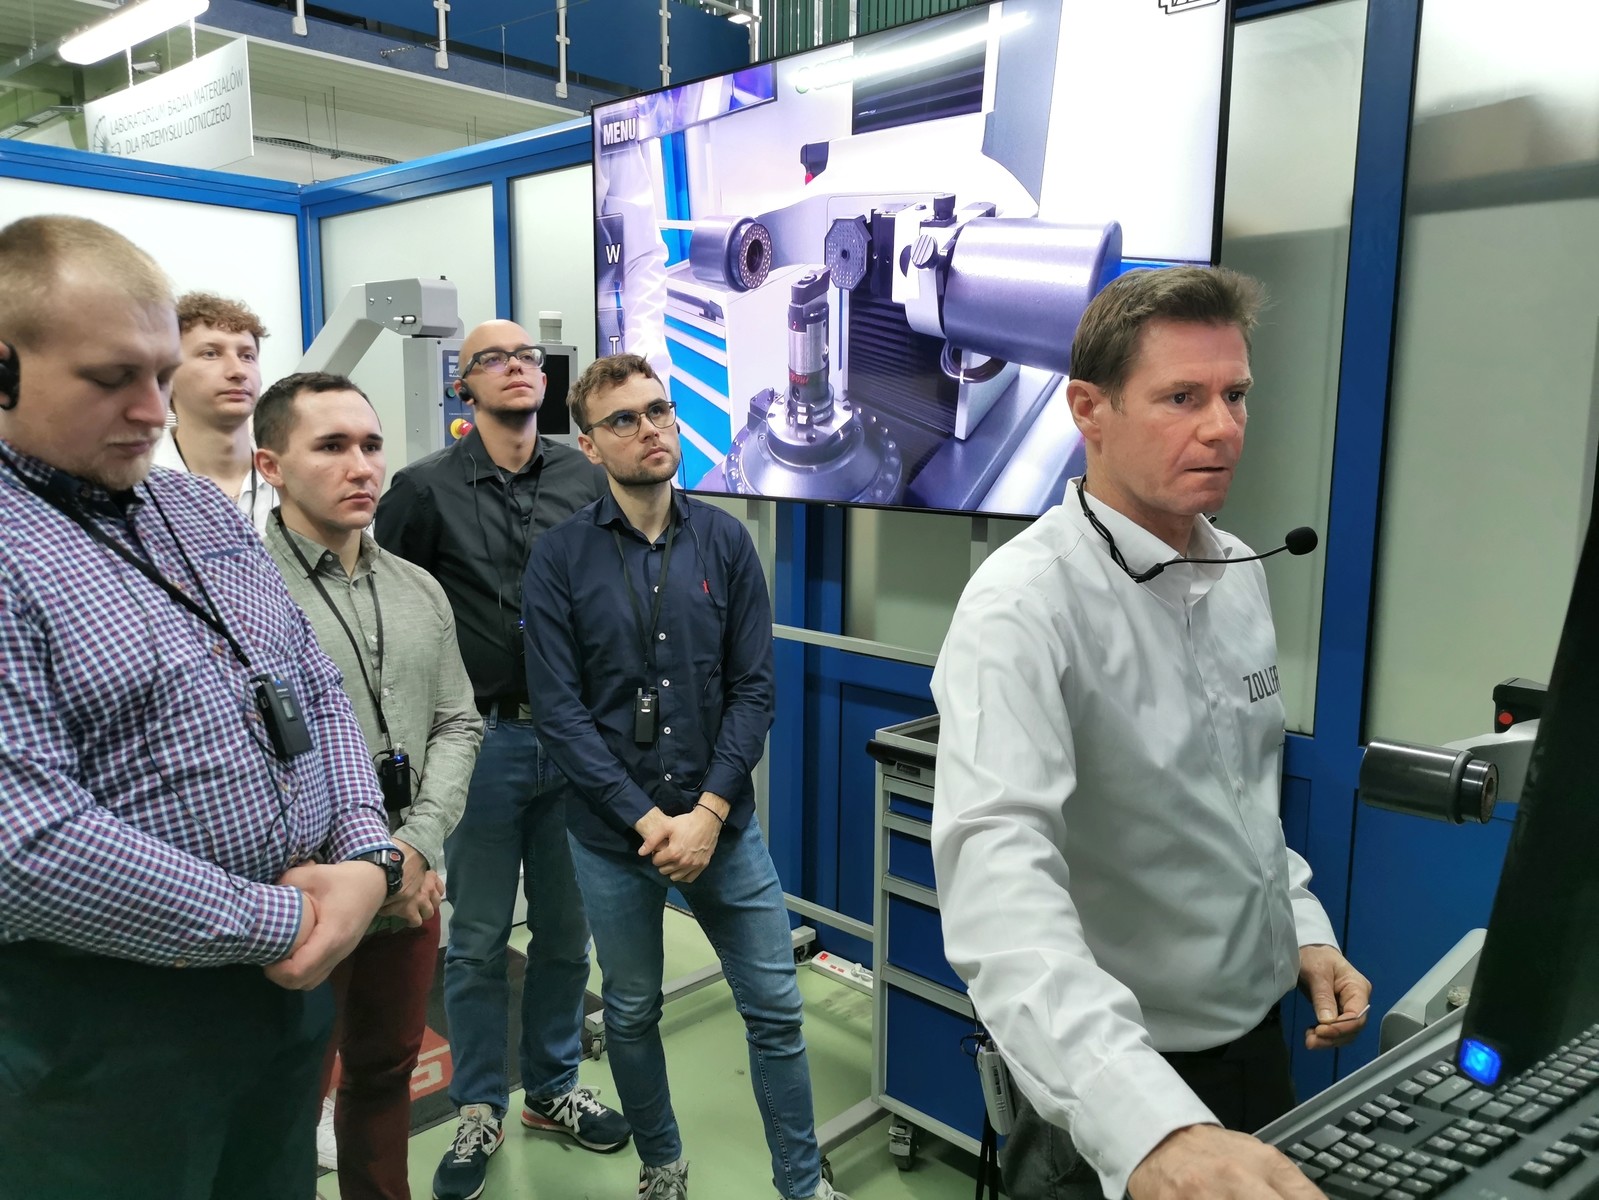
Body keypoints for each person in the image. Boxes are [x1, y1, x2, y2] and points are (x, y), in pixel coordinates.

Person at [930, 266, 1371, 1200]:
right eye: (1181, 398)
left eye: (1234, 395)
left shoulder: (1237, 569)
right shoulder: (1022, 607)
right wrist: (1148, 1126)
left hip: (1255, 1045)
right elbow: (1000, 888)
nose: (1222, 427)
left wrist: (1300, 931)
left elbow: (1241, 802)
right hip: (1116, 1084)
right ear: (1087, 410)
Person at [0, 217, 401, 1200]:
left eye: (161, 372)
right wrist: (284, 921)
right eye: (112, 379)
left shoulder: (193, 511)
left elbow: (313, 686)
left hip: (281, 1004)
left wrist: (365, 857)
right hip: (104, 1037)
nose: (153, 410)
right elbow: (24, 843)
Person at [522, 354, 849, 1200]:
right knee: (631, 1010)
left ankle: (800, 1184)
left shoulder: (725, 541)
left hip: (722, 829)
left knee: (775, 1010)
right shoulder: (560, 557)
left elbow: (753, 689)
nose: (650, 430)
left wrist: (706, 812)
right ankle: (662, 1163)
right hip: (613, 839)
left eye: (659, 411)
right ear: (590, 445)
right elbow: (559, 712)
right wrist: (646, 821)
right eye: (623, 420)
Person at [374, 319, 629, 1200]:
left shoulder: (583, 475)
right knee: (478, 940)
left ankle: (551, 1089)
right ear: (464, 385)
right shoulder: (422, 491)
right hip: (479, 744)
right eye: (493, 359)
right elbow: (391, 614)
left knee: (565, 931)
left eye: (527, 357)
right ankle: (479, 1104)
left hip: (578, 743)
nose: (516, 368)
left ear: (544, 380)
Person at [256, 371, 483, 1200]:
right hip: (298, 897)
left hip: (411, 889)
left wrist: (413, 849)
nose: (361, 466)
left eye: (371, 445)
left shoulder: (418, 589)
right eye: (331, 446)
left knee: (385, 1072)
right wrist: (365, 869)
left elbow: (458, 723)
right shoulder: (242, 594)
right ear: (271, 465)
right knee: (279, 1100)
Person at [153, 291, 277, 532]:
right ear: (167, 374)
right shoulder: (132, 483)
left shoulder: (293, 477)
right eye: (211, 353)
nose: (238, 371)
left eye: (247, 356)